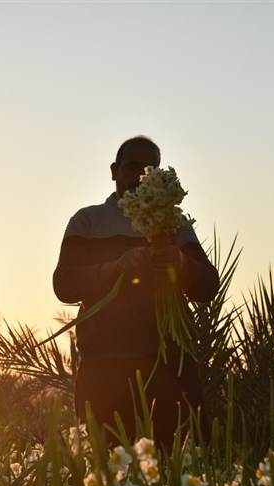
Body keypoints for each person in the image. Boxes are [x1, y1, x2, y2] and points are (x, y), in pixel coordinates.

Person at [53, 135, 220, 450]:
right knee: (105, 475)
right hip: (104, 367)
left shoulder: (175, 223)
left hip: (170, 364)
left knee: (181, 467)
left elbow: (208, 285)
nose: (140, 177)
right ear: (114, 170)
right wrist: (115, 268)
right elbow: (64, 284)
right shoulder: (87, 220)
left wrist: (182, 263)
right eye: (132, 167)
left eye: (150, 169)